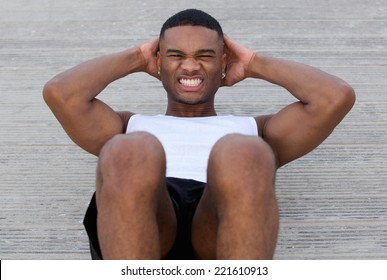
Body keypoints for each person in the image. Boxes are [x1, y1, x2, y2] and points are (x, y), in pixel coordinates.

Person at [43, 9, 355, 260]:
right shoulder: (128, 124)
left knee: (243, 151)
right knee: (130, 149)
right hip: (146, 217)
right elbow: (61, 93)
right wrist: (137, 58)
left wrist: (254, 63)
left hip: (218, 220)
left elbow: (334, 97)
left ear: (223, 63)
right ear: (160, 62)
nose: (190, 66)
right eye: (176, 55)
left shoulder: (256, 130)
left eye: (205, 56)